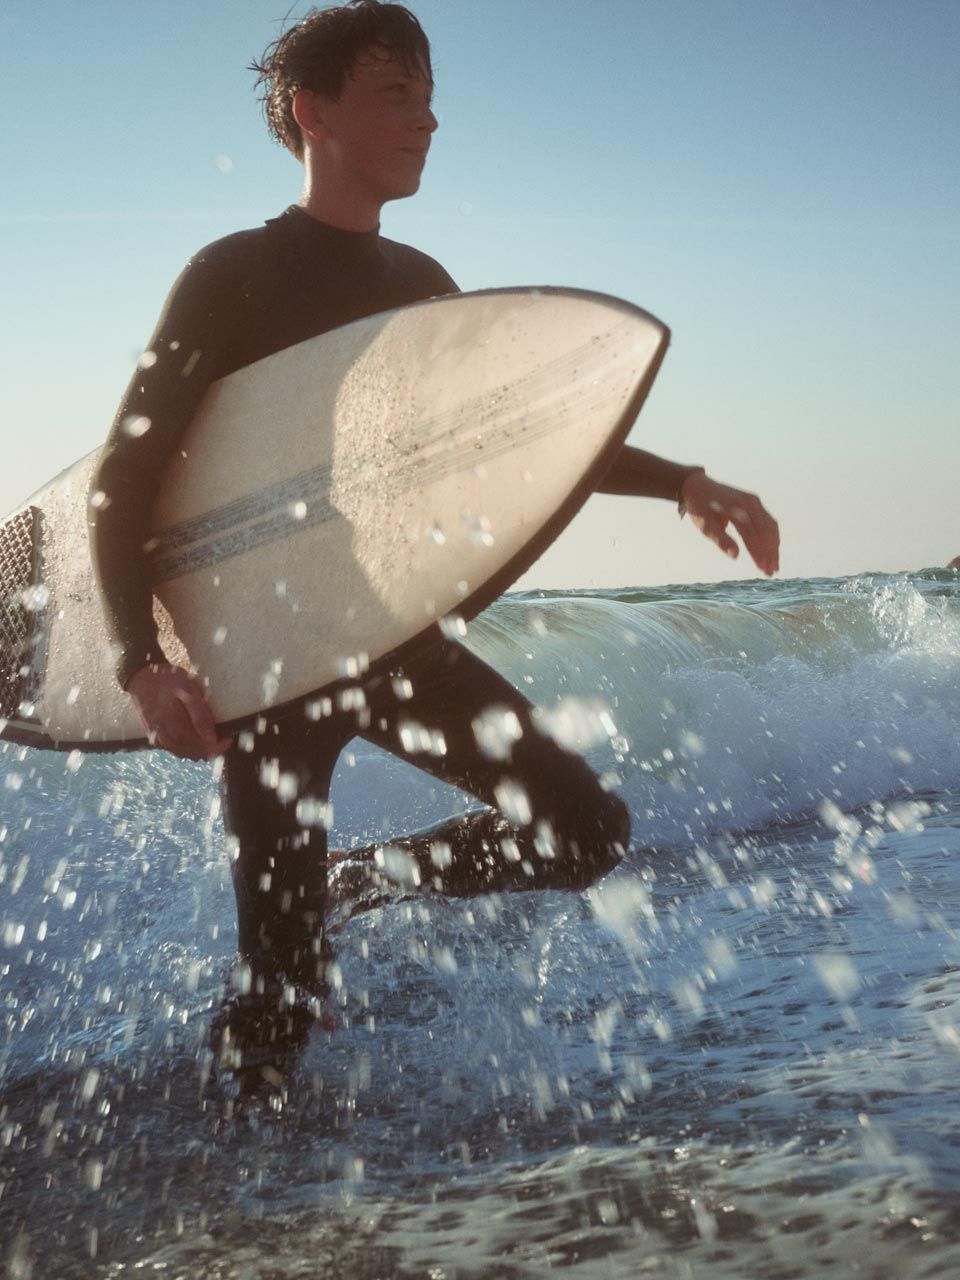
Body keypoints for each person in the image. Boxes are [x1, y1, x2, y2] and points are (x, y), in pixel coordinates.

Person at [88, 1, 779, 1001]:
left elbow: (509, 446)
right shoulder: (232, 274)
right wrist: (140, 661)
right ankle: (242, 1135)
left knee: (583, 829)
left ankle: (363, 880)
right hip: (269, 668)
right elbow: (126, 478)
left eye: (431, 97)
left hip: (389, 641)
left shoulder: (420, 285)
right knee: (277, 993)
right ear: (311, 111)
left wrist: (682, 483)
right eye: (397, 94)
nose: (428, 119)